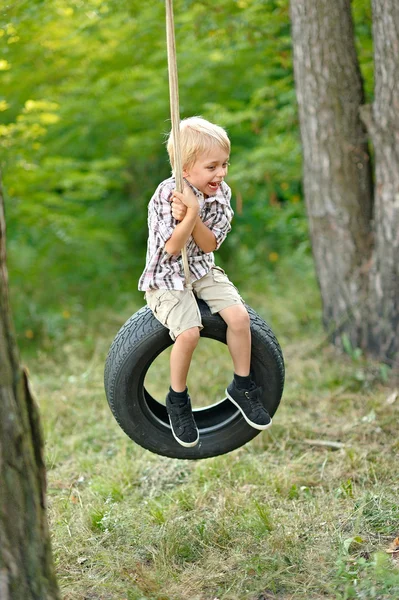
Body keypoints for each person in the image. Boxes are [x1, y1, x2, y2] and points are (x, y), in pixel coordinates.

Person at [138, 116, 271, 448]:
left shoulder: (220, 193)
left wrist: (193, 213)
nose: (221, 173)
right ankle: (177, 400)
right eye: (212, 167)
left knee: (239, 318)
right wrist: (188, 212)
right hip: (167, 275)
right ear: (186, 169)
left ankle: (242, 385)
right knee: (189, 333)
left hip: (201, 267)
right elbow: (171, 247)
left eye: (224, 164)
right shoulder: (166, 194)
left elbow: (210, 245)